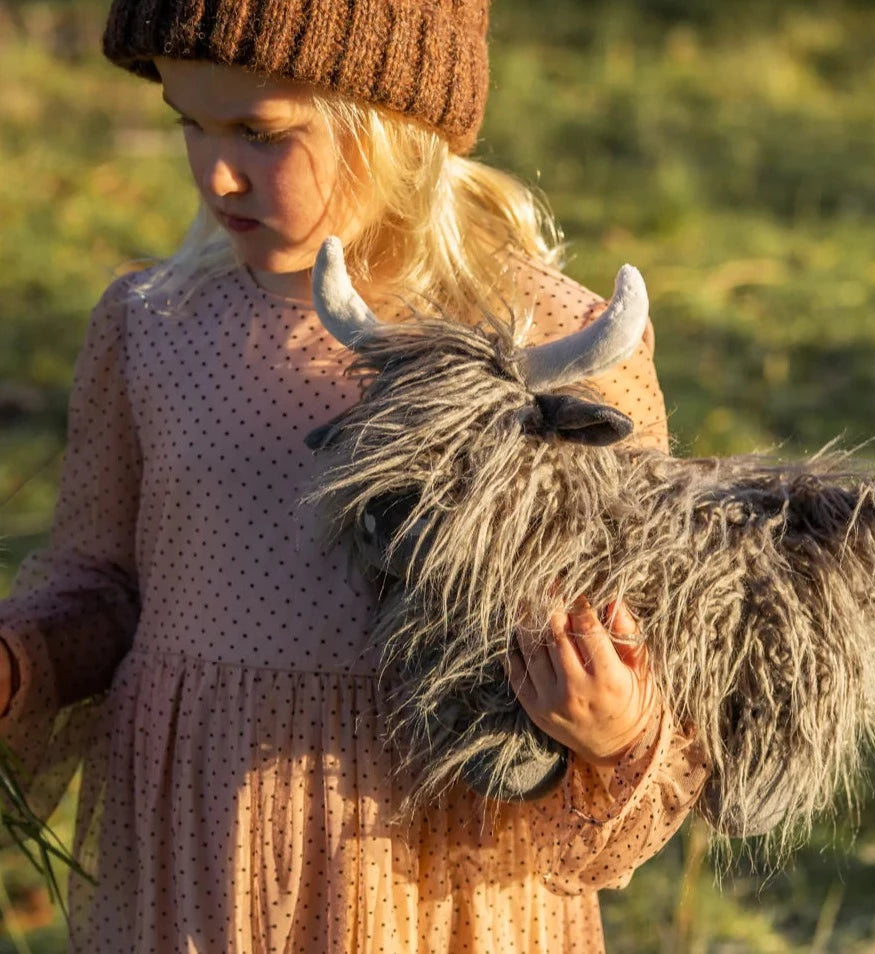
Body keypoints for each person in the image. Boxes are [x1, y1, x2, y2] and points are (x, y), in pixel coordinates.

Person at [0, 1, 709, 951]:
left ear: (394, 126)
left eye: (261, 133)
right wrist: (25, 661)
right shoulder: (155, 326)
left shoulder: (555, 344)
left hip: (435, 877)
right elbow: (106, 584)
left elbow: (656, 645)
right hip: (196, 865)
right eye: (189, 121)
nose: (214, 172)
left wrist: (615, 726)